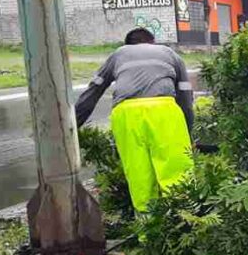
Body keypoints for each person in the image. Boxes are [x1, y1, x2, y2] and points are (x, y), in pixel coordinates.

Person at [75, 27, 194, 212]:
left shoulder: (118, 54)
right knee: (177, 173)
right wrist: (187, 130)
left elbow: (93, 91)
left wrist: (73, 125)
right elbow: (186, 97)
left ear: (128, 45)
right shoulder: (169, 53)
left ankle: (148, 233)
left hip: (126, 114)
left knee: (140, 176)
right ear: (152, 42)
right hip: (163, 109)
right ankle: (184, 222)